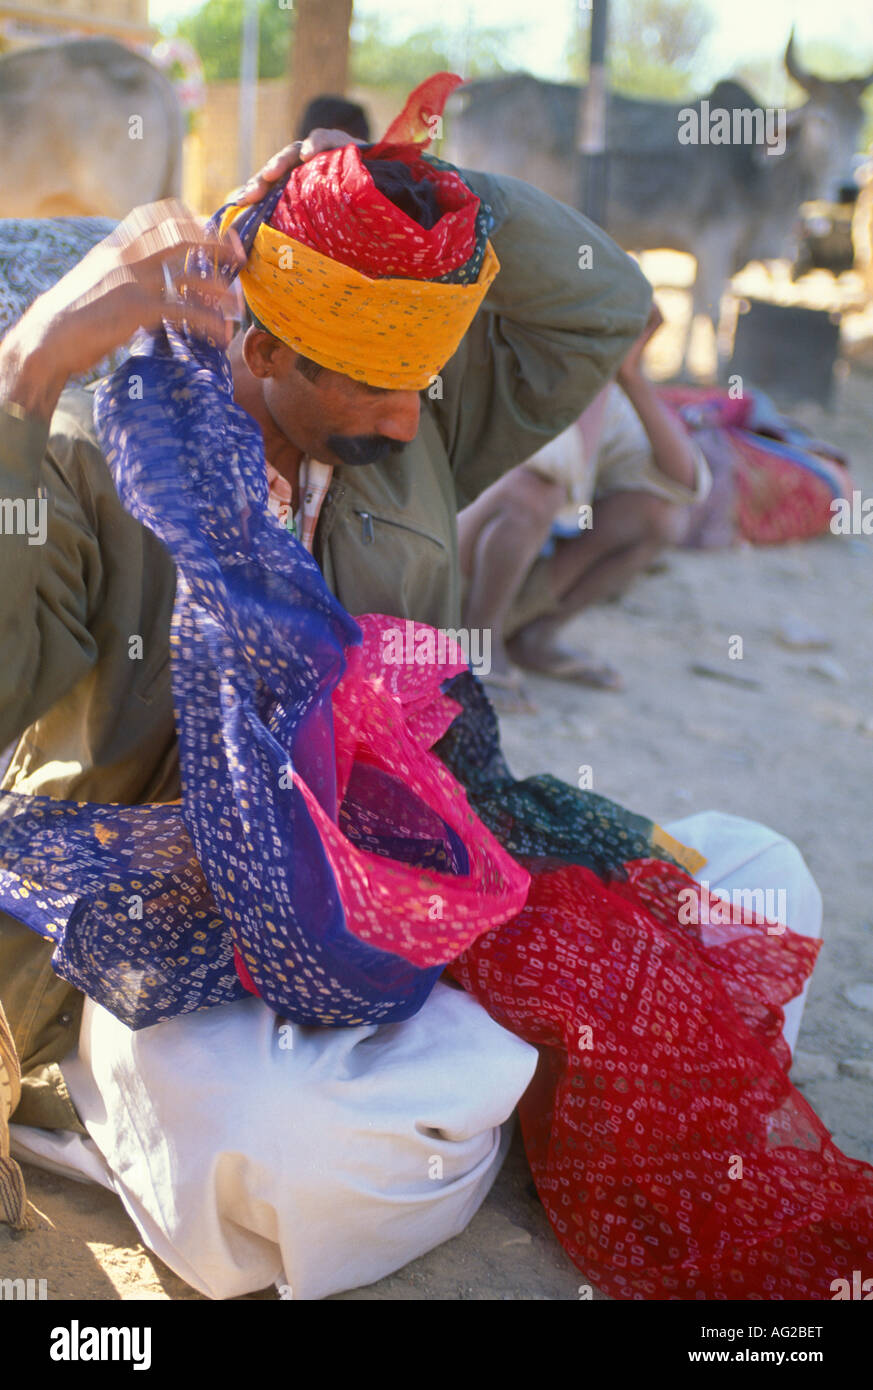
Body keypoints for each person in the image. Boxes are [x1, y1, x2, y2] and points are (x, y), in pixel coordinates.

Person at [2, 78, 868, 1303]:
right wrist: (25, 374)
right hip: (177, 919)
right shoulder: (96, 460)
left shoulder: (408, 419)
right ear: (260, 349)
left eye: (426, 383)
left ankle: (487, 1068)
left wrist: (410, 190)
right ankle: (464, 1082)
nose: (415, 425)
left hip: (426, 858)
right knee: (300, 1155)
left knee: (759, 887)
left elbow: (604, 303)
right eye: (375, 388)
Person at [458, 305, 711, 710]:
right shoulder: (507, 349)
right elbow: (556, 466)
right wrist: (591, 370)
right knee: (535, 491)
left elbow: (686, 486)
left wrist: (628, 375)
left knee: (662, 516)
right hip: (439, 576)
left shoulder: (607, 396)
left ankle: (533, 636)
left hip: (504, 578)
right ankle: (476, 646)